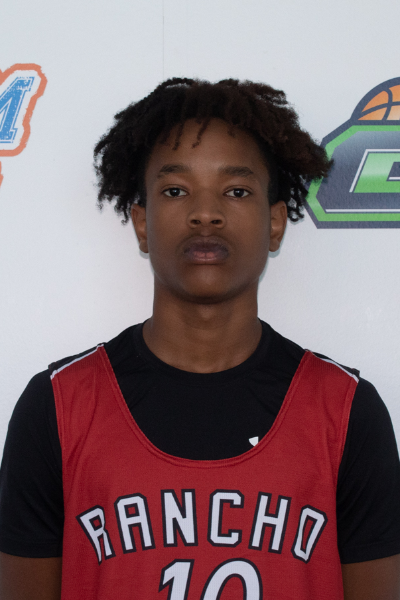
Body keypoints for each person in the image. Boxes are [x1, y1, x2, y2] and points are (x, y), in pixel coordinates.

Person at [0, 78, 400, 600]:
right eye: (175, 190)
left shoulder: (346, 412)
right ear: (141, 223)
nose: (205, 213)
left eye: (236, 191)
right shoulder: (56, 407)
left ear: (275, 223)